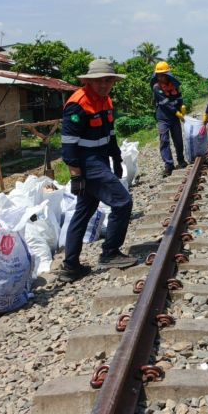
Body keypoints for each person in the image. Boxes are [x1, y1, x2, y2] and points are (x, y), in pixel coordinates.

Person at [60, 59, 135, 282]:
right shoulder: (78, 104)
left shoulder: (106, 100)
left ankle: (70, 266)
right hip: (87, 163)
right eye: (99, 81)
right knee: (122, 202)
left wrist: (116, 156)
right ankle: (110, 252)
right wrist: (76, 175)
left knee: (84, 211)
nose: (104, 85)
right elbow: (68, 143)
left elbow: (109, 134)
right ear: (88, 81)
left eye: (108, 80)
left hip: (100, 159)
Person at [151, 61, 187, 178]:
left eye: (163, 74)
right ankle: (169, 165)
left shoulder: (174, 84)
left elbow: (179, 97)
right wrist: (176, 112)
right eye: (159, 75)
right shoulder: (156, 87)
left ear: (167, 74)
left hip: (175, 117)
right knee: (164, 140)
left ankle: (181, 160)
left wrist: (182, 106)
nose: (160, 77)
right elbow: (165, 103)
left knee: (178, 139)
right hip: (163, 118)